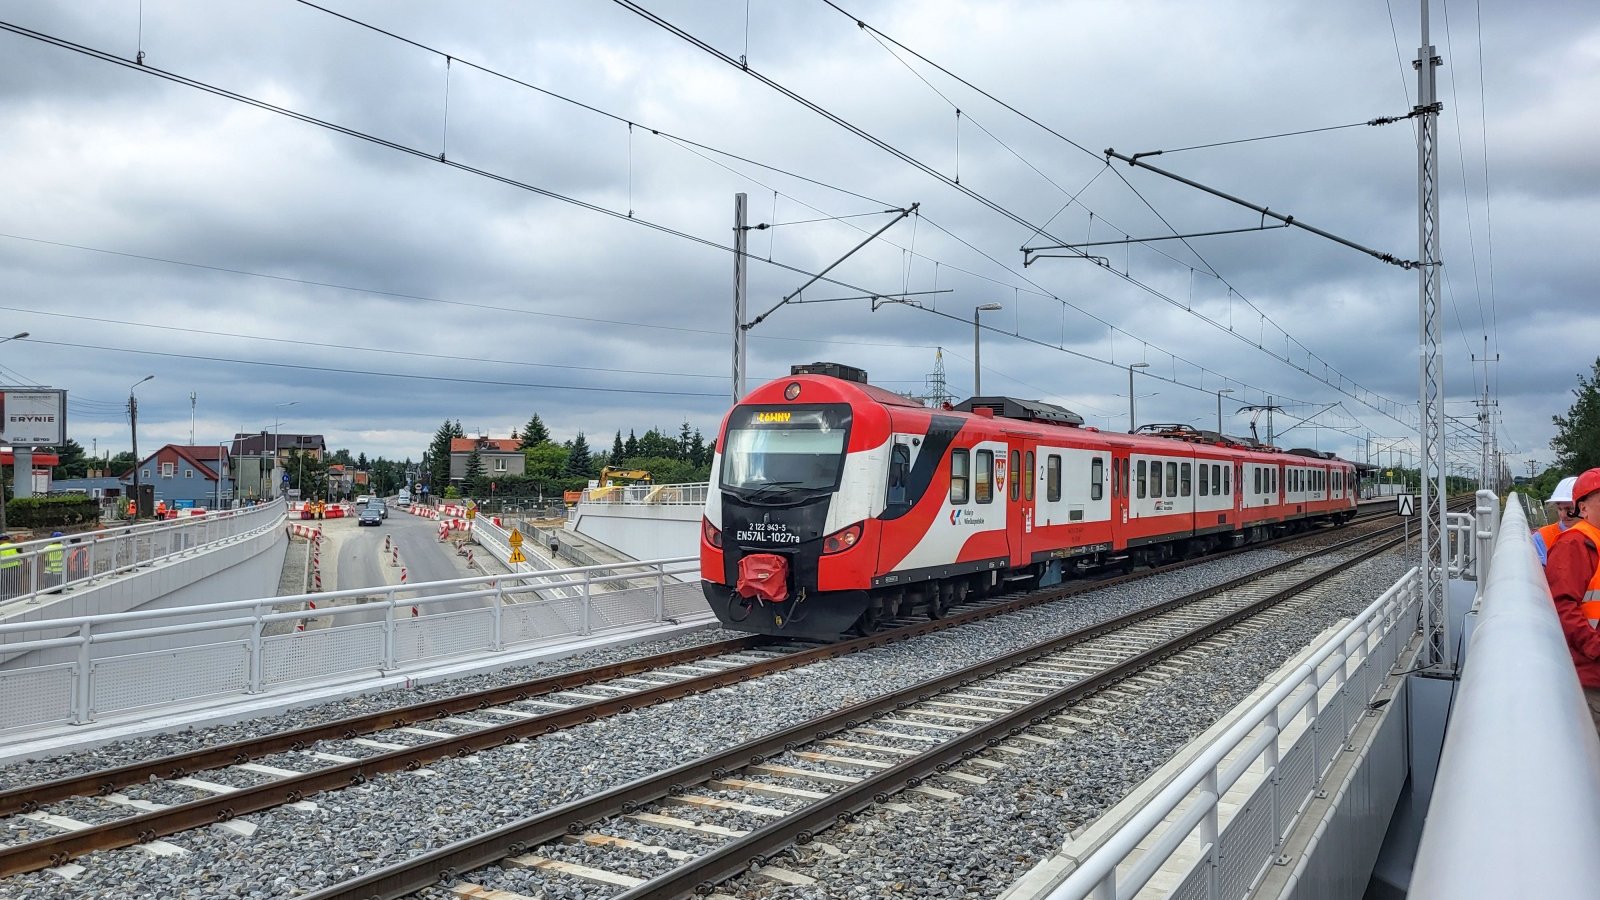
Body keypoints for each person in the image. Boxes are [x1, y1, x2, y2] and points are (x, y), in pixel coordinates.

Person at [1544, 467, 1600, 729]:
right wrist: (1594, 648)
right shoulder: (1575, 544)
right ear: (1583, 508)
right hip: (1591, 676)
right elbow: (1562, 605)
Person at [1533, 476, 1580, 565]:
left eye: (1569, 509)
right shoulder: (1541, 538)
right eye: (1559, 509)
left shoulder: (1594, 533)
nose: (1563, 515)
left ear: (1584, 507)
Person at [0, 535, 20, 601]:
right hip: (15, 567)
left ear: (1, 540)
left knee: (4, 585)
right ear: (8, 539)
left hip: (3, 568)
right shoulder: (14, 546)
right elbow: (20, 554)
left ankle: (4, 599)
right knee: (14, 584)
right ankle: (15, 598)